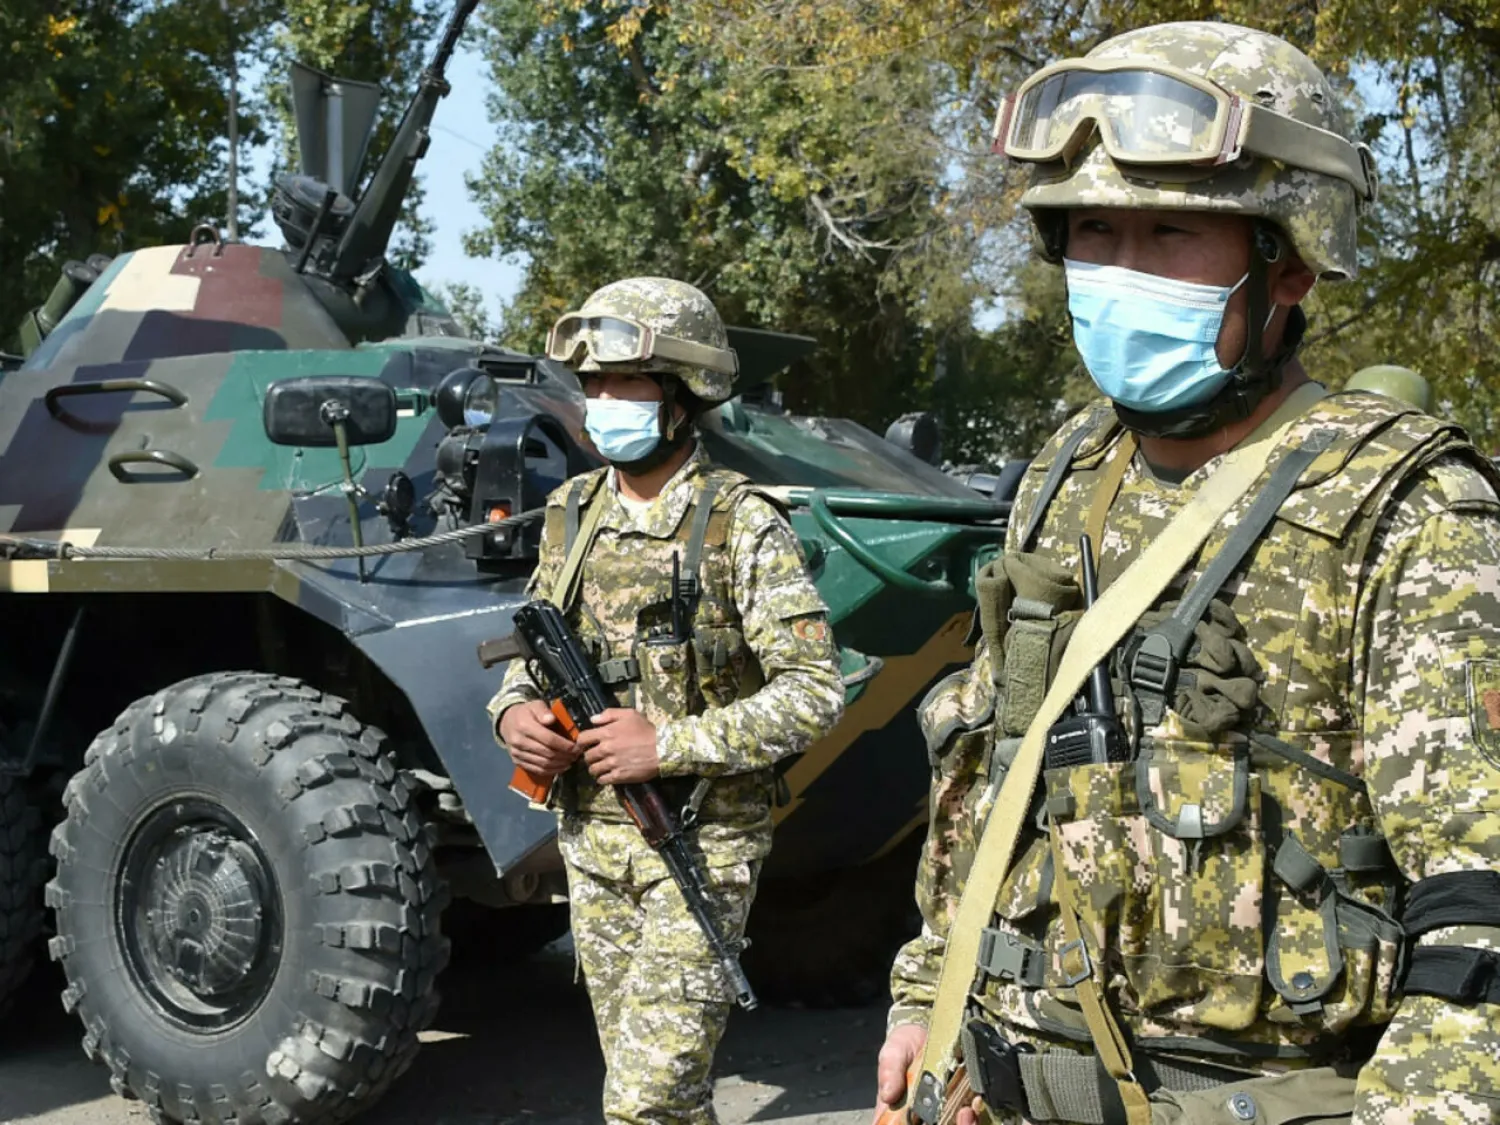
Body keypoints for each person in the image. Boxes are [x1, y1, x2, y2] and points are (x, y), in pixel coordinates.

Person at [874, 21, 1500, 1125]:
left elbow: (1478, 911)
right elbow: (992, 770)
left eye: (1169, 232)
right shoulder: (1067, 473)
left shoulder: (1407, 512)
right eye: (1093, 231)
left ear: (1289, 260)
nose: (1118, 273)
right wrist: (931, 997)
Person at [487, 276, 845, 1125]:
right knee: (668, 1100)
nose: (603, 400)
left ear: (684, 394)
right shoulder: (572, 514)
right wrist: (514, 716)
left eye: (626, 382)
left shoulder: (739, 523)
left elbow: (815, 691)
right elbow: (530, 653)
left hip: (699, 844)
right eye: (594, 383)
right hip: (592, 846)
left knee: (642, 1102)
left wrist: (668, 745)